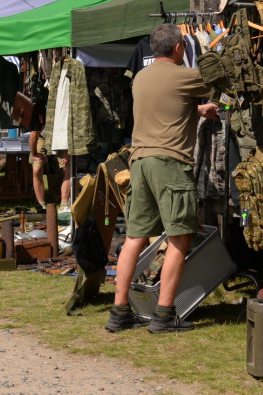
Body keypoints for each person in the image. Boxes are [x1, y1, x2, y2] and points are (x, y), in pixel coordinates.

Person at [107, 23, 219, 334]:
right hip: (169, 163)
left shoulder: (141, 77)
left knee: (133, 238)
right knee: (179, 238)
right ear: (179, 48)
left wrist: (196, 110)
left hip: (139, 162)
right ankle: (164, 314)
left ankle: (118, 312)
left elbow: (165, 105)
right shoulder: (187, 76)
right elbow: (220, 83)